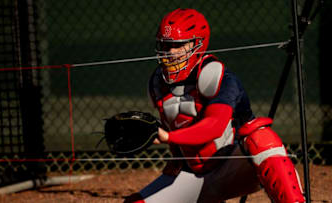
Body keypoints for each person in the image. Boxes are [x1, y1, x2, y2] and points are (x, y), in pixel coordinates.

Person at [125, 8, 305, 203]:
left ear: (197, 44)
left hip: (237, 167)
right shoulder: (157, 83)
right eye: (166, 45)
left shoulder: (217, 76)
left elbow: (215, 125)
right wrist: (175, 157)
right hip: (196, 175)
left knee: (261, 137)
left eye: (178, 46)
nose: (170, 52)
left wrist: (169, 137)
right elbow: (174, 122)